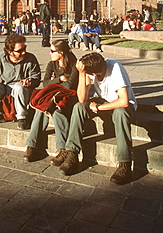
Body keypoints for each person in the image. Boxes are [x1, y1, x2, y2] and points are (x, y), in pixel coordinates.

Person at [58, 52, 137, 185]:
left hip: (120, 105)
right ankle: (72, 153)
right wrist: (82, 74)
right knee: (79, 107)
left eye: (87, 73)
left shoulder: (115, 68)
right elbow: (82, 99)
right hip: (103, 102)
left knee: (120, 113)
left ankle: (125, 164)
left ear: (94, 73)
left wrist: (99, 107)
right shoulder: (90, 70)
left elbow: (124, 101)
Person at [23, 39, 78, 163]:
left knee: (58, 112)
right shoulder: (51, 64)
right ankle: (32, 145)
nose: (50, 53)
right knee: (40, 109)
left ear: (61, 53)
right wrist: (60, 78)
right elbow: (45, 83)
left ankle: (62, 149)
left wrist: (56, 81)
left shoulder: (75, 64)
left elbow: (70, 86)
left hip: (69, 97)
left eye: (52, 51)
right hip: (53, 96)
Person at [0, 33, 41, 130]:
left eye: (24, 48)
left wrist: (30, 82)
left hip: (23, 89)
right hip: (6, 87)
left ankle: (22, 117)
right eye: (20, 51)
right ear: (10, 52)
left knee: (18, 86)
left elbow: (36, 79)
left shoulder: (31, 58)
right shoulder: (1, 57)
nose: (24, 52)